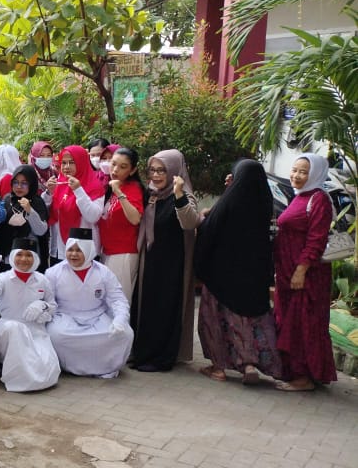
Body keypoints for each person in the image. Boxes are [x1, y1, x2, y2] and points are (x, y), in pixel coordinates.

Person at [194, 159, 283, 385]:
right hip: (253, 279)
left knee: (215, 321)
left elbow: (209, 228)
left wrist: (204, 218)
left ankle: (218, 368)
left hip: (221, 277)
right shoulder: (264, 204)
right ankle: (249, 365)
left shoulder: (230, 201)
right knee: (248, 323)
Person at [130, 149, 201, 372]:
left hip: (172, 264)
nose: (156, 175)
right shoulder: (151, 195)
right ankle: (143, 353)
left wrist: (178, 194)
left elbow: (190, 222)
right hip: (150, 261)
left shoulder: (183, 195)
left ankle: (162, 357)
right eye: (152, 170)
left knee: (165, 309)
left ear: (174, 171)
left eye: (162, 170)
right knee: (146, 307)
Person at [272, 153, 336, 391]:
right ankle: (293, 371)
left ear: (315, 174)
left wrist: (301, 270)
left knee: (302, 324)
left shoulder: (319, 199)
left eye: (303, 172)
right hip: (287, 273)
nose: (296, 176)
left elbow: (316, 239)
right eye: (294, 170)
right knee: (289, 322)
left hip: (306, 277)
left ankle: (304, 377)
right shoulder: (300, 196)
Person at [45, 228, 133, 378]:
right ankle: (69, 367)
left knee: (125, 334)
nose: (73, 254)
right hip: (66, 317)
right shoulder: (53, 272)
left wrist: (119, 320)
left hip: (97, 317)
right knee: (56, 336)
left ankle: (105, 367)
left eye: (79, 250)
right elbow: (48, 301)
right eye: (70, 250)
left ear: (89, 250)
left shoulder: (104, 272)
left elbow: (117, 299)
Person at [0, 237, 60, 392]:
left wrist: (43, 306)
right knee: (15, 331)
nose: (24, 259)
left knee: (48, 367)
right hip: (8, 329)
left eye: (29, 255)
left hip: (35, 330)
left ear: (35, 258)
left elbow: (53, 306)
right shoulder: (4, 278)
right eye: (19, 254)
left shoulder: (42, 279)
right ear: (13, 256)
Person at [44, 145, 104, 265]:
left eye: (71, 162)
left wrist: (78, 190)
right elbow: (48, 212)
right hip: (60, 250)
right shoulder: (59, 183)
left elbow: (93, 216)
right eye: (63, 163)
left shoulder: (93, 185)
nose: (66, 167)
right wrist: (49, 193)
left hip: (84, 250)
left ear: (81, 162)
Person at [98, 148, 145, 299]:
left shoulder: (132, 188)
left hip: (123, 253)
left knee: (118, 301)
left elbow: (135, 218)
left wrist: (119, 193)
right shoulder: (110, 187)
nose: (115, 170)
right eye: (113, 164)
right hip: (107, 252)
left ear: (133, 170)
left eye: (123, 167)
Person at [0, 165, 49, 269]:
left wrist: (30, 211)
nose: (19, 187)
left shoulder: (37, 202)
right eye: (15, 182)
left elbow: (41, 231)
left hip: (29, 258)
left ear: (31, 184)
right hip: (7, 256)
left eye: (24, 183)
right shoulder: (7, 199)